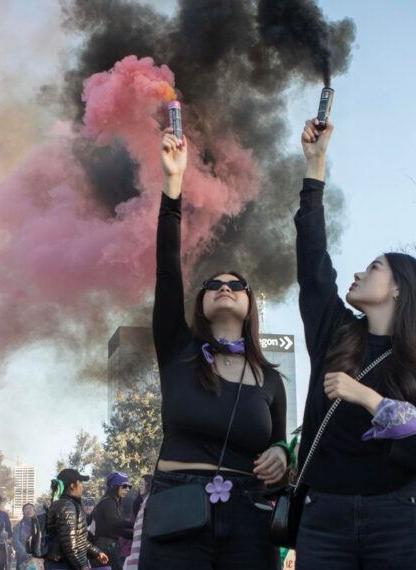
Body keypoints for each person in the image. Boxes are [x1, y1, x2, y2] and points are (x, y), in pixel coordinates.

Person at [293, 119, 416, 569]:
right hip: (323, 514)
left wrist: (368, 398)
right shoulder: (336, 332)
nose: (358, 274)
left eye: (373, 267)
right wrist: (315, 169)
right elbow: (313, 266)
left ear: (399, 289)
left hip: (399, 516)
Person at [138, 127, 290, 569]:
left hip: (249, 513)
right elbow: (167, 271)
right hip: (177, 506)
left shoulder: (271, 378)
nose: (225, 287)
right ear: (201, 302)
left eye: (235, 284)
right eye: (214, 284)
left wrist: (282, 453)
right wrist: (173, 184)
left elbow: (280, 439)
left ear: (249, 303)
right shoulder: (177, 350)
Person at [46, 469, 108, 570]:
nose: (82, 486)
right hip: (64, 564)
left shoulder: (68, 504)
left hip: (65, 563)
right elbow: (69, 543)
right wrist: (82, 566)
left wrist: (97, 552)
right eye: (80, 482)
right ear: (72, 485)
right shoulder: (67, 505)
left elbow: (79, 539)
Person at [93, 472, 134, 570]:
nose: (127, 489)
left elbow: (115, 529)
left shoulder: (111, 502)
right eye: (124, 486)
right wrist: (135, 525)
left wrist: (134, 536)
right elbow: (115, 524)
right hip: (106, 545)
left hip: (105, 545)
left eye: (129, 486)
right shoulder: (109, 502)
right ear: (114, 486)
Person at [13, 503, 38, 570]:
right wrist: (25, 553)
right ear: (23, 512)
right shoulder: (18, 526)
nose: (28, 511)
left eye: (30, 508)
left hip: (38, 558)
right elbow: (15, 541)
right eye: (26, 509)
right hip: (23, 559)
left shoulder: (40, 525)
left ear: (34, 511)